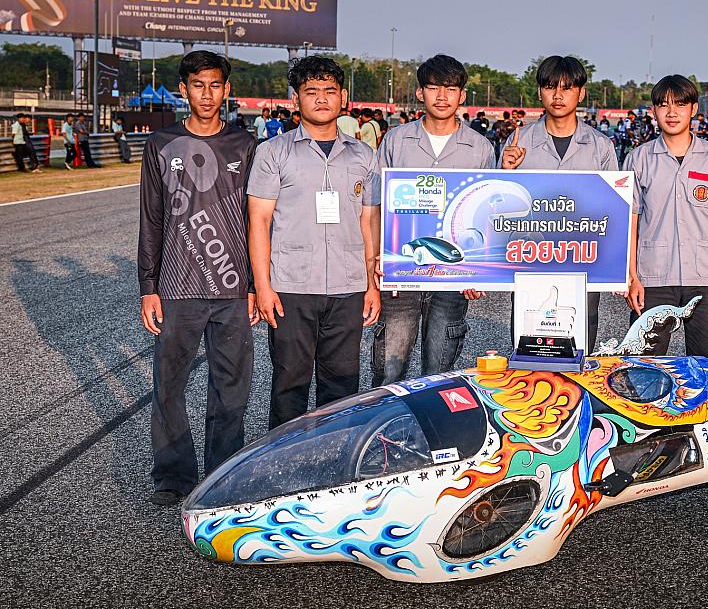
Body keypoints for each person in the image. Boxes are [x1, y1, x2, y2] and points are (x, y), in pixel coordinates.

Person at [137, 50, 258, 506]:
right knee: (169, 385)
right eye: (198, 85)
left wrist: (255, 285)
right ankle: (173, 475)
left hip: (233, 289)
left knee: (231, 390)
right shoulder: (160, 143)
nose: (207, 94)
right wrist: (148, 287)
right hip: (176, 288)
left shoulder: (245, 145)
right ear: (183, 90)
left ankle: (222, 475)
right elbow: (151, 218)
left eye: (215, 85)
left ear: (226, 90)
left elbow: (257, 221)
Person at [247, 56, 381, 429]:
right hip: (291, 288)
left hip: (347, 286)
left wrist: (371, 284)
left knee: (342, 389)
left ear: (343, 97)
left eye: (329, 91)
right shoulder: (273, 152)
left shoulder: (364, 156)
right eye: (311, 91)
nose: (321, 98)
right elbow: (259, 221)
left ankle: (335, 459)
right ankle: (283, 460)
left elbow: (369, 221)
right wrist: (262, 287)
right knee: (289, 385)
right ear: (296, 99)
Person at [373, 54, 495, 386]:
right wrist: (376, 258)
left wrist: (480, 271)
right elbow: (377, 204)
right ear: (420, 93)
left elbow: (484, 214)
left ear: (462, 95)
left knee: (439, 374)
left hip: (454, 275)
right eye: (433, 88)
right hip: (401, 274)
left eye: (450, 89)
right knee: (389, 372)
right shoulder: (396, 140)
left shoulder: (480, 148)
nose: (442, 96)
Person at [501, 55, 617, 353]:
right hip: (531, 259)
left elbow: (614, 210)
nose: (558, 95)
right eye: (550, 87)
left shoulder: (601, 146)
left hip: (584, 261)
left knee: (579, 347)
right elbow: (499, 208)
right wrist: (505, 172)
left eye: (567, 88)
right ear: (539, 91)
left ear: (581, 93)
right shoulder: (518, 141)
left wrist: (617, 265)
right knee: (529, 348)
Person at [624, 75, 708, 356]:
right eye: (663, 105)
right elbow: (630, 221)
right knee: (644, 366)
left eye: (680, 104)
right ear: (653, 111)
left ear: (693, 109)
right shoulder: (638, 159)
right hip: (653, 277)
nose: (672, 112)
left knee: (706, 365)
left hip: (706, 277)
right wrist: (632, 276)